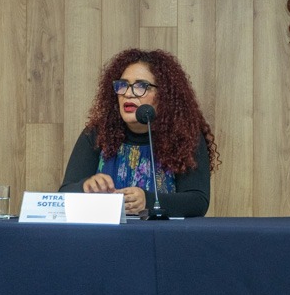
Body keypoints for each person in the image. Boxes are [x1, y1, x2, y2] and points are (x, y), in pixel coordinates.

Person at [60, 48, 219, 217]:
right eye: (122, 85)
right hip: (104, 238)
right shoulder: (98, 134)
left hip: (161, 239)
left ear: (164, 95)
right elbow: (64, 194)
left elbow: (197, 201)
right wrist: (86, 187)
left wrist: (148, 201)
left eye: (141, 86)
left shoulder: (184, 136)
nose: (128, 93)